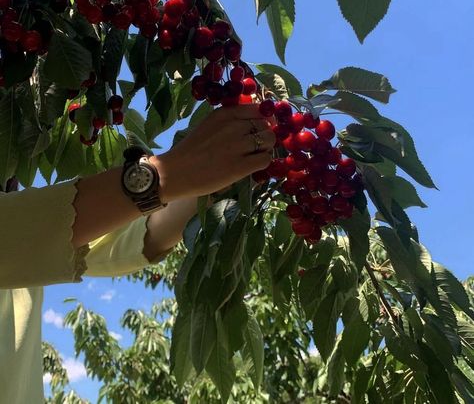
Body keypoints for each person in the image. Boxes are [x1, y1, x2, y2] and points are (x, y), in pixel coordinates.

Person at [0, 104, 275, 404]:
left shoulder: (30, 246)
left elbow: (125, 240)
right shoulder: (20, 241)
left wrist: (216, 178)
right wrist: (163, 175)